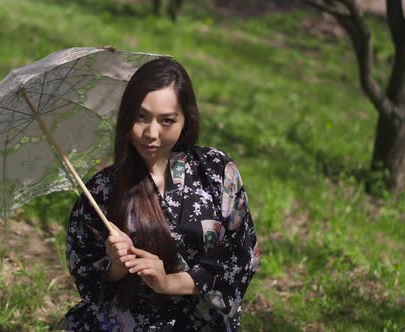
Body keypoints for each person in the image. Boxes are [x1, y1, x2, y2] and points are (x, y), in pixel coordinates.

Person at [57, 57, 260, 331]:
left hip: (200, 321)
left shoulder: (215, 170)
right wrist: (116, 265)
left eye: (167, 120)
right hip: (127, 320)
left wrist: (168, 282)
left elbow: (240, 256)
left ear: (186, 120)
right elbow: (87, 276)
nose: (151, 133)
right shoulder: (103, 189)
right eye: (140, 117)